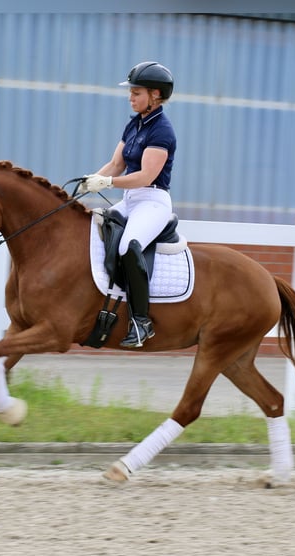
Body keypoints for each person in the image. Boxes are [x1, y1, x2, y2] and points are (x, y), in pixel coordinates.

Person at [81, 61, 177, 348]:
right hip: (130, 199)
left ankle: (141, 321)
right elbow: (116, 164)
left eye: (136, 93)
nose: (131, 97)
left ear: (155, 94)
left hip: (152, 200)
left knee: (128, 245)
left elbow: (146, 175)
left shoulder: (162, 131)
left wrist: (108, 184)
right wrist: (90, 180)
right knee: (92, 227)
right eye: (131, 92)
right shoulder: (134, 124)